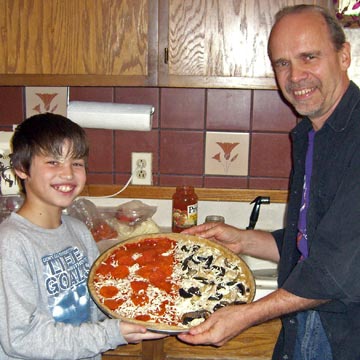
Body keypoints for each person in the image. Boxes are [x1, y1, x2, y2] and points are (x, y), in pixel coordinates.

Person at [178, 4, 360, 360]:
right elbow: (313, 244)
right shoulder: (311, 133)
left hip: (345, 335)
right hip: (307, 321)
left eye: (309, 57)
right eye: (282, 63)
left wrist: (246, 315)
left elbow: (338, 269)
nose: (295, 76)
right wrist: (244, 240)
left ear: (344, 56)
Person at [0, 113, 165, 359]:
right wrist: (111, 333)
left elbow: (95, 306)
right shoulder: (11, 243)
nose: (68, 174)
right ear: (22, 169)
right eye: (53, 162)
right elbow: (21, 337)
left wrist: (146, 303)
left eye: (76, 163)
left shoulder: (77, 230)